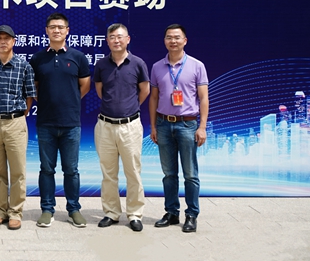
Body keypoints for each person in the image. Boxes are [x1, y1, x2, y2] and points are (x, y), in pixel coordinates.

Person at [29, 12, 91, 228]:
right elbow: (34, 87)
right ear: (46, 31)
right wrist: (48, 100)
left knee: (71, 170)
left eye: (60, 27)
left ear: (67, 31)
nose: (56, 30)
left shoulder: (78, 57)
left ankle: (74, 209)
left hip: (71, 123)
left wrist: (69, 100)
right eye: (52, 27)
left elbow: (85, 85)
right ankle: (47, 209)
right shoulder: (37, 58)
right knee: (46, 169)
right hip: (45, 122)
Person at [148, 24, 209, 233]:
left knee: (190, 174)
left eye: (176, 37)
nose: (172, 41)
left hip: (187, 124)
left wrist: (202, 127)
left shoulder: (197, 66)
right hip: (164, 124)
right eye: (169, 37)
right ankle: (171, 212)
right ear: (164, 41)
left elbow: (203, 98)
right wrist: (153, 126)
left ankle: (191, 215)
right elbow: (153, 98)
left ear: (185, 40)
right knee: (169, 173)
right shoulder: (157, 67)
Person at [92, 23, 150, 232]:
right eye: (112, 37)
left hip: (130, 126)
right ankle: (111, 212)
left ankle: (134, 214)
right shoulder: (101, 64)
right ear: (107, 41)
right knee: (109, 173)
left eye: (120, 36)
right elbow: (100, 91)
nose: (116, 40)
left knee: (133, 172)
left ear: (128, 39)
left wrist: (129, 108)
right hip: (105, 126)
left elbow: (144, 90)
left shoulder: (138, 63)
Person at [0, 25, 36, 231]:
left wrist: (19, 116)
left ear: (14, 41)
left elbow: (29, 95)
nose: (3, 42)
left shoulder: (24, 66)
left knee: (18, 171)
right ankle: (1, 210)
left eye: (7, 38)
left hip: (15, 123)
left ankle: (15, 212)